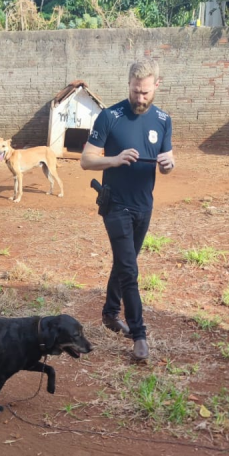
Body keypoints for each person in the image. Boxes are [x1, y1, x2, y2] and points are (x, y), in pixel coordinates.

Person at [80, 59, 175, 361]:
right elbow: (86, 160)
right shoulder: (110, 116)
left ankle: (110, 313)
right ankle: (139, 335)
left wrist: (169, 164)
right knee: (130, 270)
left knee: (126, 262)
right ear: (129, 85)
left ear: (156, 85)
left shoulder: (163, 120)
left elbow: (167, 160)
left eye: (145, 92)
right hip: (116, 205)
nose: (140, 98)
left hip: (144, 205)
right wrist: (115, 159)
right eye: (135, 91)